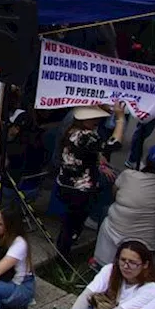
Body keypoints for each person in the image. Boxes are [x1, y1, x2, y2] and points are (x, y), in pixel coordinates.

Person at [55, 104, 125, 258]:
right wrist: (120, 119)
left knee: (68, 222)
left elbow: (88, 153)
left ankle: (65, 247)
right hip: (80, 189)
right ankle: (64, 254)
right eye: (94, 118)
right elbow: (114, 144)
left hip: (64, 183)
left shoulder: (70, 131)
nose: (97, 121)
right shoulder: (87, 136)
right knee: (73, 223)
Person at [93, 142, 155, 267]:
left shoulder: (128, 175)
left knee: (107, 210)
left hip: (114, 234)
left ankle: (98, 263)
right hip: (145, 244)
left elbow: (114, 193)